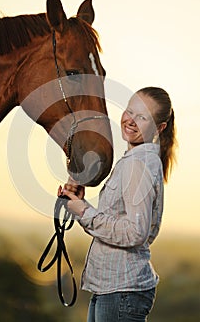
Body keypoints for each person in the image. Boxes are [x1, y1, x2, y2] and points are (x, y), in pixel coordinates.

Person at [58, 87, 177, 322]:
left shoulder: (138, 165)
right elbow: (124, 221)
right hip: (113, 290)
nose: (130, 120)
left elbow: (135, 232)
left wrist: (84, 212)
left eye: (142, 117)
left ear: (159, 128)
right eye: (130, 111)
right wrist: (80, 204)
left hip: (122, 292)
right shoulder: (135, 160)